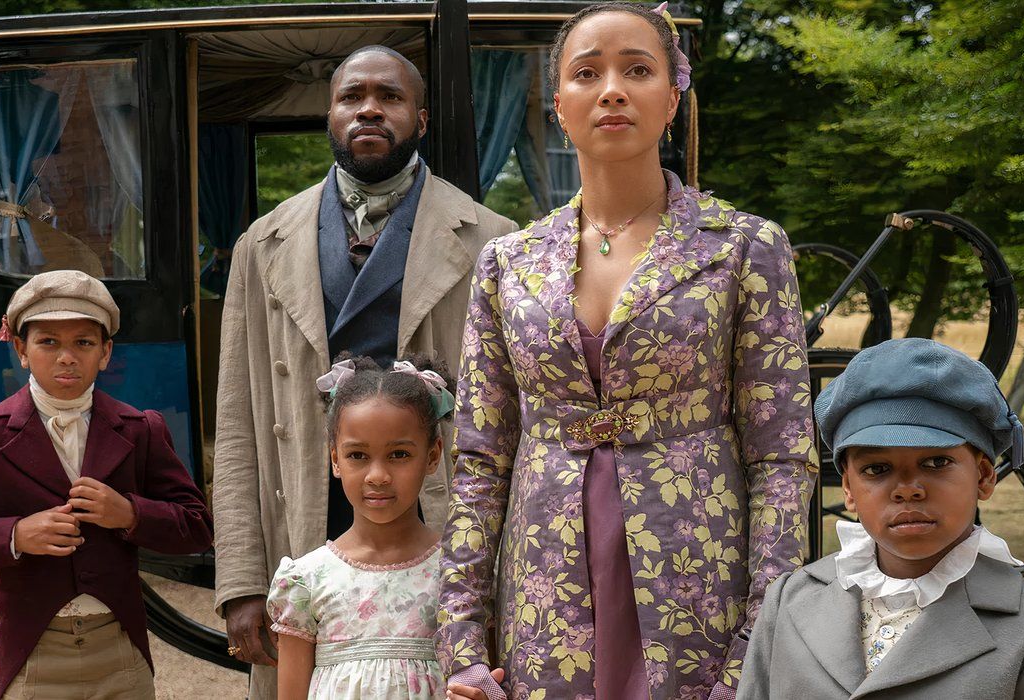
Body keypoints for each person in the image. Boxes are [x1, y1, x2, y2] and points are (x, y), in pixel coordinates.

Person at [436, 3, 816, 698]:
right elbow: (480, 460)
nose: (612, 88)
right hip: (547, 584)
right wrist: (461, 639)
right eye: (588, 73)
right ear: (559, 104)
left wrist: (762, 634)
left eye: (637, 70)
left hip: (697, 573)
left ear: (673, 95)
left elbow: (783, 458)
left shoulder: (745, 248)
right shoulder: (507, 263)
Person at [213, 44, 517, 698]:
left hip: (439, 539)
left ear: (422, 117)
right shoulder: (260, 245)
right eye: (353, 97)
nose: (370, 109)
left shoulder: (492, 240)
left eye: (390, 96)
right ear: (329, 116)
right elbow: (237, 426)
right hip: (307, 525)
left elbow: (516, 424)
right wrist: (240, 582)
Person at [0, 270, 213, 699]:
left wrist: (131, 513)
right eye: (48, 342)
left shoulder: (141, 430)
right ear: (22, 350)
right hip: (34, 658)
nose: (67, 357)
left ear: (106, 352)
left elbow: (196, 526)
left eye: (83, 342)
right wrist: (14, 534)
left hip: (121, 654)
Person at [738, 338, 1024, 699]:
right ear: (848, 488)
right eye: (877, 469)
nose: (908, 489)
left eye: (936, 462)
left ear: (984, 476)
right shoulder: (788, 601)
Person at [267, 355, 483, 699]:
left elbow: (479, 676)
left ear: (432, 456)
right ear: (335, 459)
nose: (378, 476)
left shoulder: (457, 575)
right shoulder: (304, 583)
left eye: (399, 454)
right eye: (358, 456)